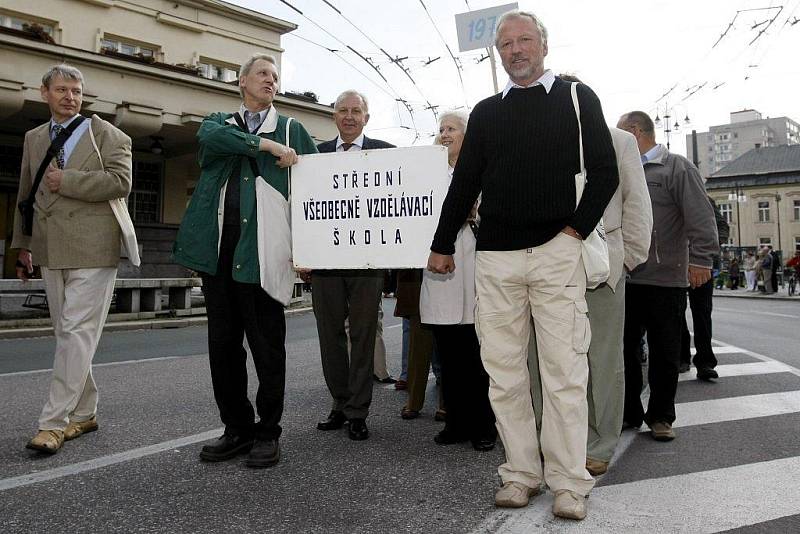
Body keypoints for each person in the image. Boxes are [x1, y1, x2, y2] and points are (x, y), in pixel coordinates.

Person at [428, 10, 618, 520]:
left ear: (544, 45)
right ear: (498, 53)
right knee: (505, 373)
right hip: (496, 259)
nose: (515, 49)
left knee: (563, 372)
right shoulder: (486, 113)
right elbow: (464, 183)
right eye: (506, 43)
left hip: (558, 251)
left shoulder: (578, 99)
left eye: (525, 39)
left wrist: (574, 230)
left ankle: (569, 482)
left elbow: (605, 172)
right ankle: (520, 473)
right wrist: (442, 243)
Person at [173, 53, 317, 468]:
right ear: (241, 82)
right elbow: (209, 140)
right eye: (262, 74)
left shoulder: (293, 128)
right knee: (223, 347)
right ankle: (236, 428)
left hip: (263, 255)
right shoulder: (219, 122)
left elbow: (312, 191)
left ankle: (267, 432)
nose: (270, 81)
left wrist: (307, 249)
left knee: (267, 347)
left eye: (275, 76)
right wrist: (266, 145)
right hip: (217, 255)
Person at [12, 64, 133, 454]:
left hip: (94, 247)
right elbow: (25, 195)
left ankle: (53, 422)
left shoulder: (107, 134)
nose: (70, 97)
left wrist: (69, 181)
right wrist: (22, 246)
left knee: (77, 331)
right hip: (49, 246)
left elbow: (121, 182)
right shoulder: (33, 137)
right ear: (44, 92)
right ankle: (84, 411)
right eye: (62, 90)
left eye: (76, 91)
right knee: (68, 335)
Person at [529, 101, 653, 476]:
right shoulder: (534, 139)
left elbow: (637, 202)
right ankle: (547, 438)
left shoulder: (618, 141)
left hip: (602, 266)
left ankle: (600, 443)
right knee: (543, 357)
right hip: (547, 267)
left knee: (602, 358)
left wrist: (627, 258)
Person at [618, 111, 718, 442]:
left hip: (665, 277)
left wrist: (702, 259)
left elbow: (701, 216)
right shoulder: (621, 168)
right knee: (624, 349)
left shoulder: (676, 167)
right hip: (626, 277)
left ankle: (661, 416)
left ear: (634, 132)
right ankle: (628, 412)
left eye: (620, 133)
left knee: (665, 351)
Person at [312, 90, 394, 441]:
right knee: (329, 336)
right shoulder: (313, 157)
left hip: (367, 263)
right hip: (324, 262)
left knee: (362, 336)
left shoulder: (387, 153)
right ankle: (339, 404)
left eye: (356, 111)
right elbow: (303, 207)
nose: (349, 116)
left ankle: (358, 412)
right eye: (343, 111)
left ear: (367, 117)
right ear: (334, 117)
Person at [420, 110, 497, 452]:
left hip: (474, 264)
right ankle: (456, 421)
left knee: (476, 353)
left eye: (452, 128)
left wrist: (475, 211)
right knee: (448, 352)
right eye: (441, 129)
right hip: (437, 268)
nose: (445, 134)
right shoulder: (423, 173)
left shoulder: (484, 169)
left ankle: (484, 425)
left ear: (468, 136)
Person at [679, 197, 726, 379]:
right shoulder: (672, 194)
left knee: (702, 314)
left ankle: (705, 362)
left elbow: (722, 227)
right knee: (677, 313)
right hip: (676, 263)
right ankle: (682, 357)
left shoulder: (705, 200)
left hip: (702, 264)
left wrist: (711, 247)